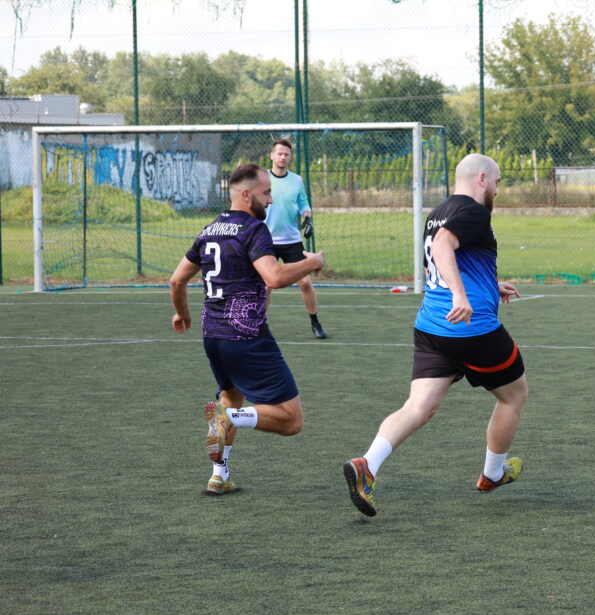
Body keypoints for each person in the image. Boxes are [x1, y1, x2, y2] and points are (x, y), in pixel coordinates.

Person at [342, 153, 527, 517]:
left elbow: (446, 262)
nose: (497, 189)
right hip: (471, 329)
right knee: (514, 396)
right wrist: (462, 295)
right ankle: (492, 474)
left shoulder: (438, 212)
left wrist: (489, 286)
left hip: (431, 328)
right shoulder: (474, 211)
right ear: (482, 179)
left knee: (418, 407)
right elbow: (443, 247)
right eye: (497, 181)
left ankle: (367, 465)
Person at [169, 163, 325, 496]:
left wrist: (181, 313)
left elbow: (176, 280)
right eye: (266, 193)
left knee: (230, 397)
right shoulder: (254, 229)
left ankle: (219, 475)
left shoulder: (209, 230)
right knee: (291, 420)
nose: (270, 200)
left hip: (213, 336)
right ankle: (231, 418)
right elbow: (275, 277)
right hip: (247, 337)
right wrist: (312, 263)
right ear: (245, 194)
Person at [265, 137, 328, 339]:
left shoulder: (297, 180)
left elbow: (303, 203)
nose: (283, 157)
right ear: (272, 156)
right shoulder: (262, 178)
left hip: (292, 241)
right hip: (266, 241)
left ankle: (315, 322)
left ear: (290, 157)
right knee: (265, 286)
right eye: (279, 153)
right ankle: (259, 326)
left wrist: (307, 217)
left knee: (305, 283)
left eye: (286, 154)